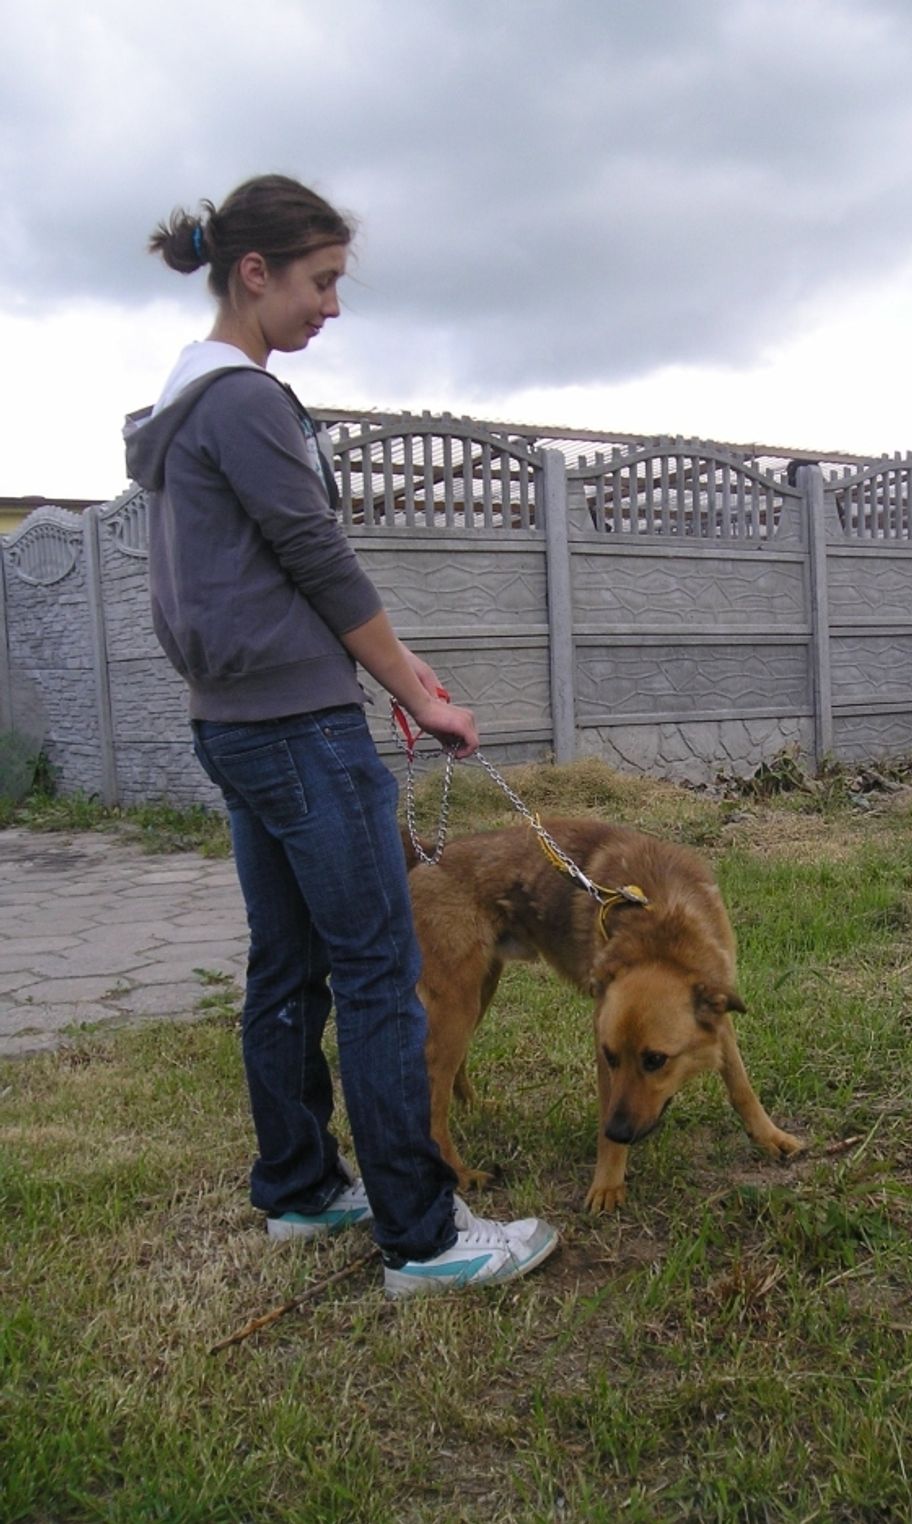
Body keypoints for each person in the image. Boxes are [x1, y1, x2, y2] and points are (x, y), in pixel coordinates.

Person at [123, 173, 558, 1297]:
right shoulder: (247, 403)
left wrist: (405, 672)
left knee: (288, 963)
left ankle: (302, 1187)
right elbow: (321, 562)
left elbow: (272, 579)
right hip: (301, 735)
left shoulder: (183, 409)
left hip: (237, 729)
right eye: (318, 283)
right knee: (379, 972)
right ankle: (422, 1236)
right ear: (253, 273)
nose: (330, 307)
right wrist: (413, 697)